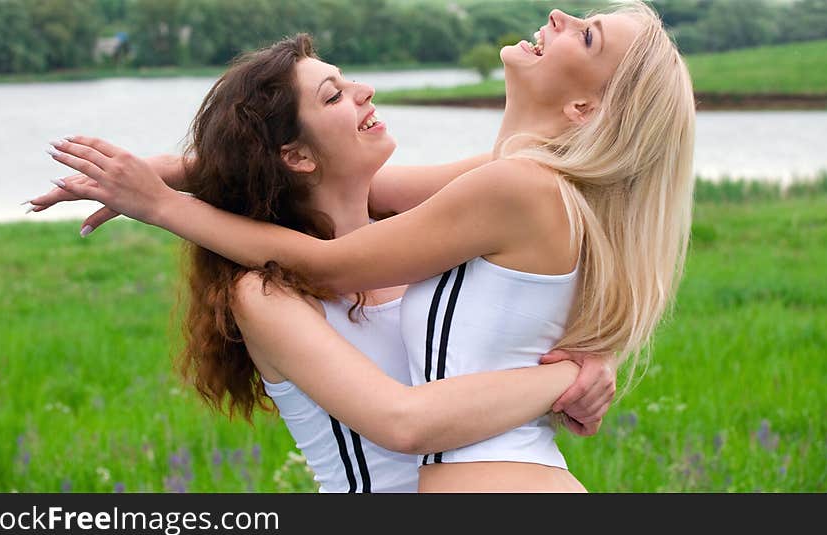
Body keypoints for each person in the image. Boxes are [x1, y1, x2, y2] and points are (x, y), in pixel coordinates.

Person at [41, 1, 695, 492]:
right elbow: (401, 418)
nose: (366, 91)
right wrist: (565, 377)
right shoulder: (265, 290)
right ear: (293, 154)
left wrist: (165, 199)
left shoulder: (479, 202)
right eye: (334, 93)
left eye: (587, 32)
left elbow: (344, 251)